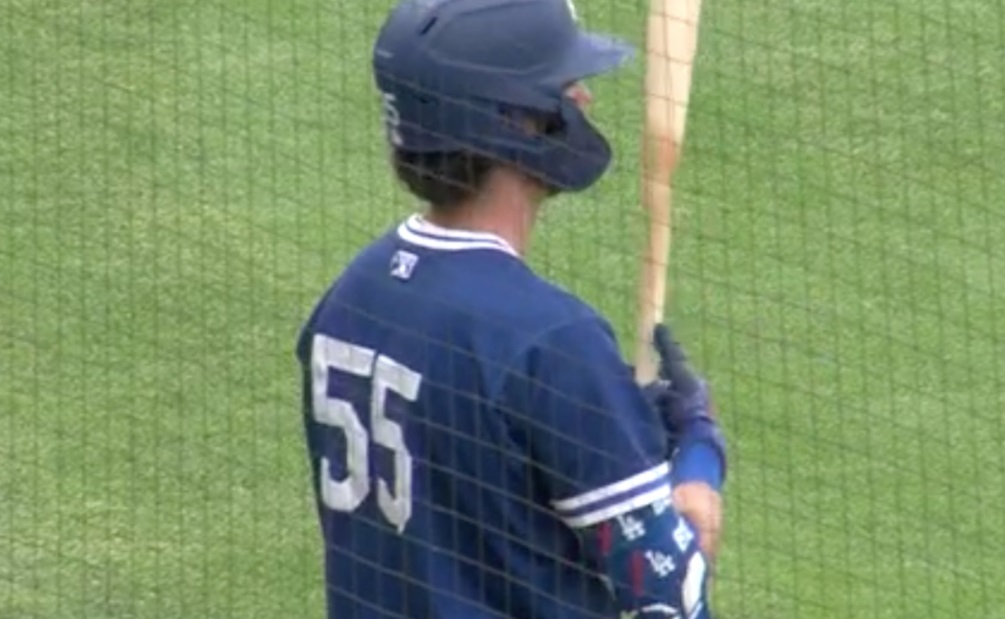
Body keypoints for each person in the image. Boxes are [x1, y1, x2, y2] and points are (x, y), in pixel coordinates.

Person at [293, 0, 729, 617]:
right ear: (510, 121)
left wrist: (610, 432)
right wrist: (698, 460)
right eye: (561, 85)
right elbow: (670, 598)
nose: (584, 101)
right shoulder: (550, 341)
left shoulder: (351, 297)